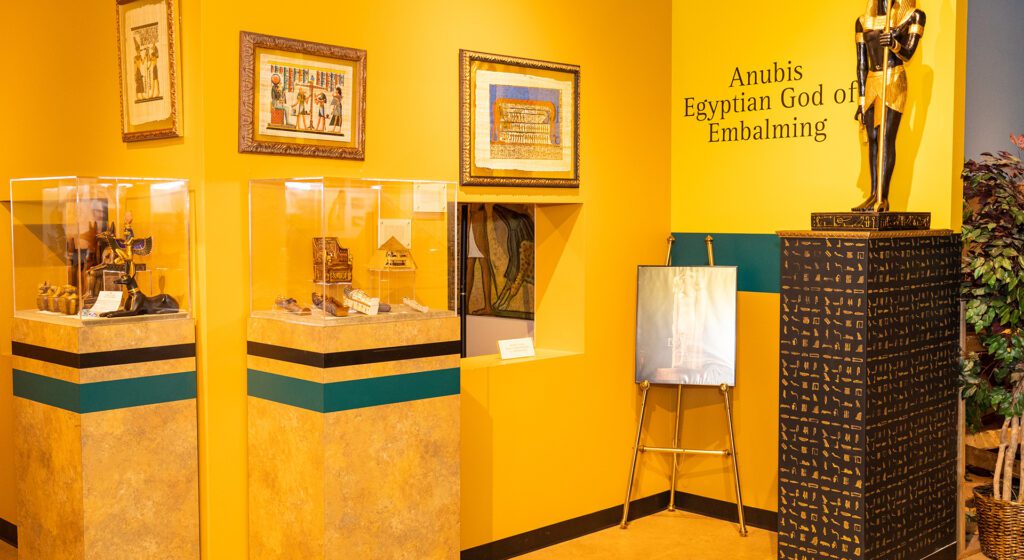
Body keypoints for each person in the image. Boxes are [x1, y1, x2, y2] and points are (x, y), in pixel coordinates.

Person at [852, 0, 926, 212]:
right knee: (873, 138)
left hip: (894, 77)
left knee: (886, 137)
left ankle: (883, 197)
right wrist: (861, 100)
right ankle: (873, 194)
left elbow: (908, 53)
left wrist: (895, 45)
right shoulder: (863, 21)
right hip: (872, 80)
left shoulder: (913, 16)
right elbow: (861, 64)